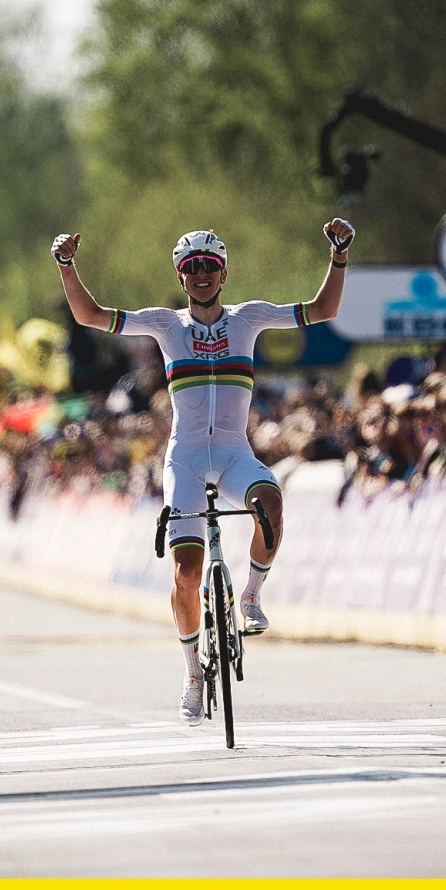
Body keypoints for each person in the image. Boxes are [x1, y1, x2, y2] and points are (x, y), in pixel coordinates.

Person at [51, 220, 355, 725]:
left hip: (235, 454)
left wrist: (339, 254)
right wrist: (67, 265)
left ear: (224, 273)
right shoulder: (165, 325)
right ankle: (193, 673)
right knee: (187, 573)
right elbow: (89, 315)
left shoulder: (249, 318)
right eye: (191, 268)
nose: (200, 275)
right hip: (186, 459)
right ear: (180, 273)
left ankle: (252, 594)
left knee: (271, 502)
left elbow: (324, 310)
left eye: (209, 267)